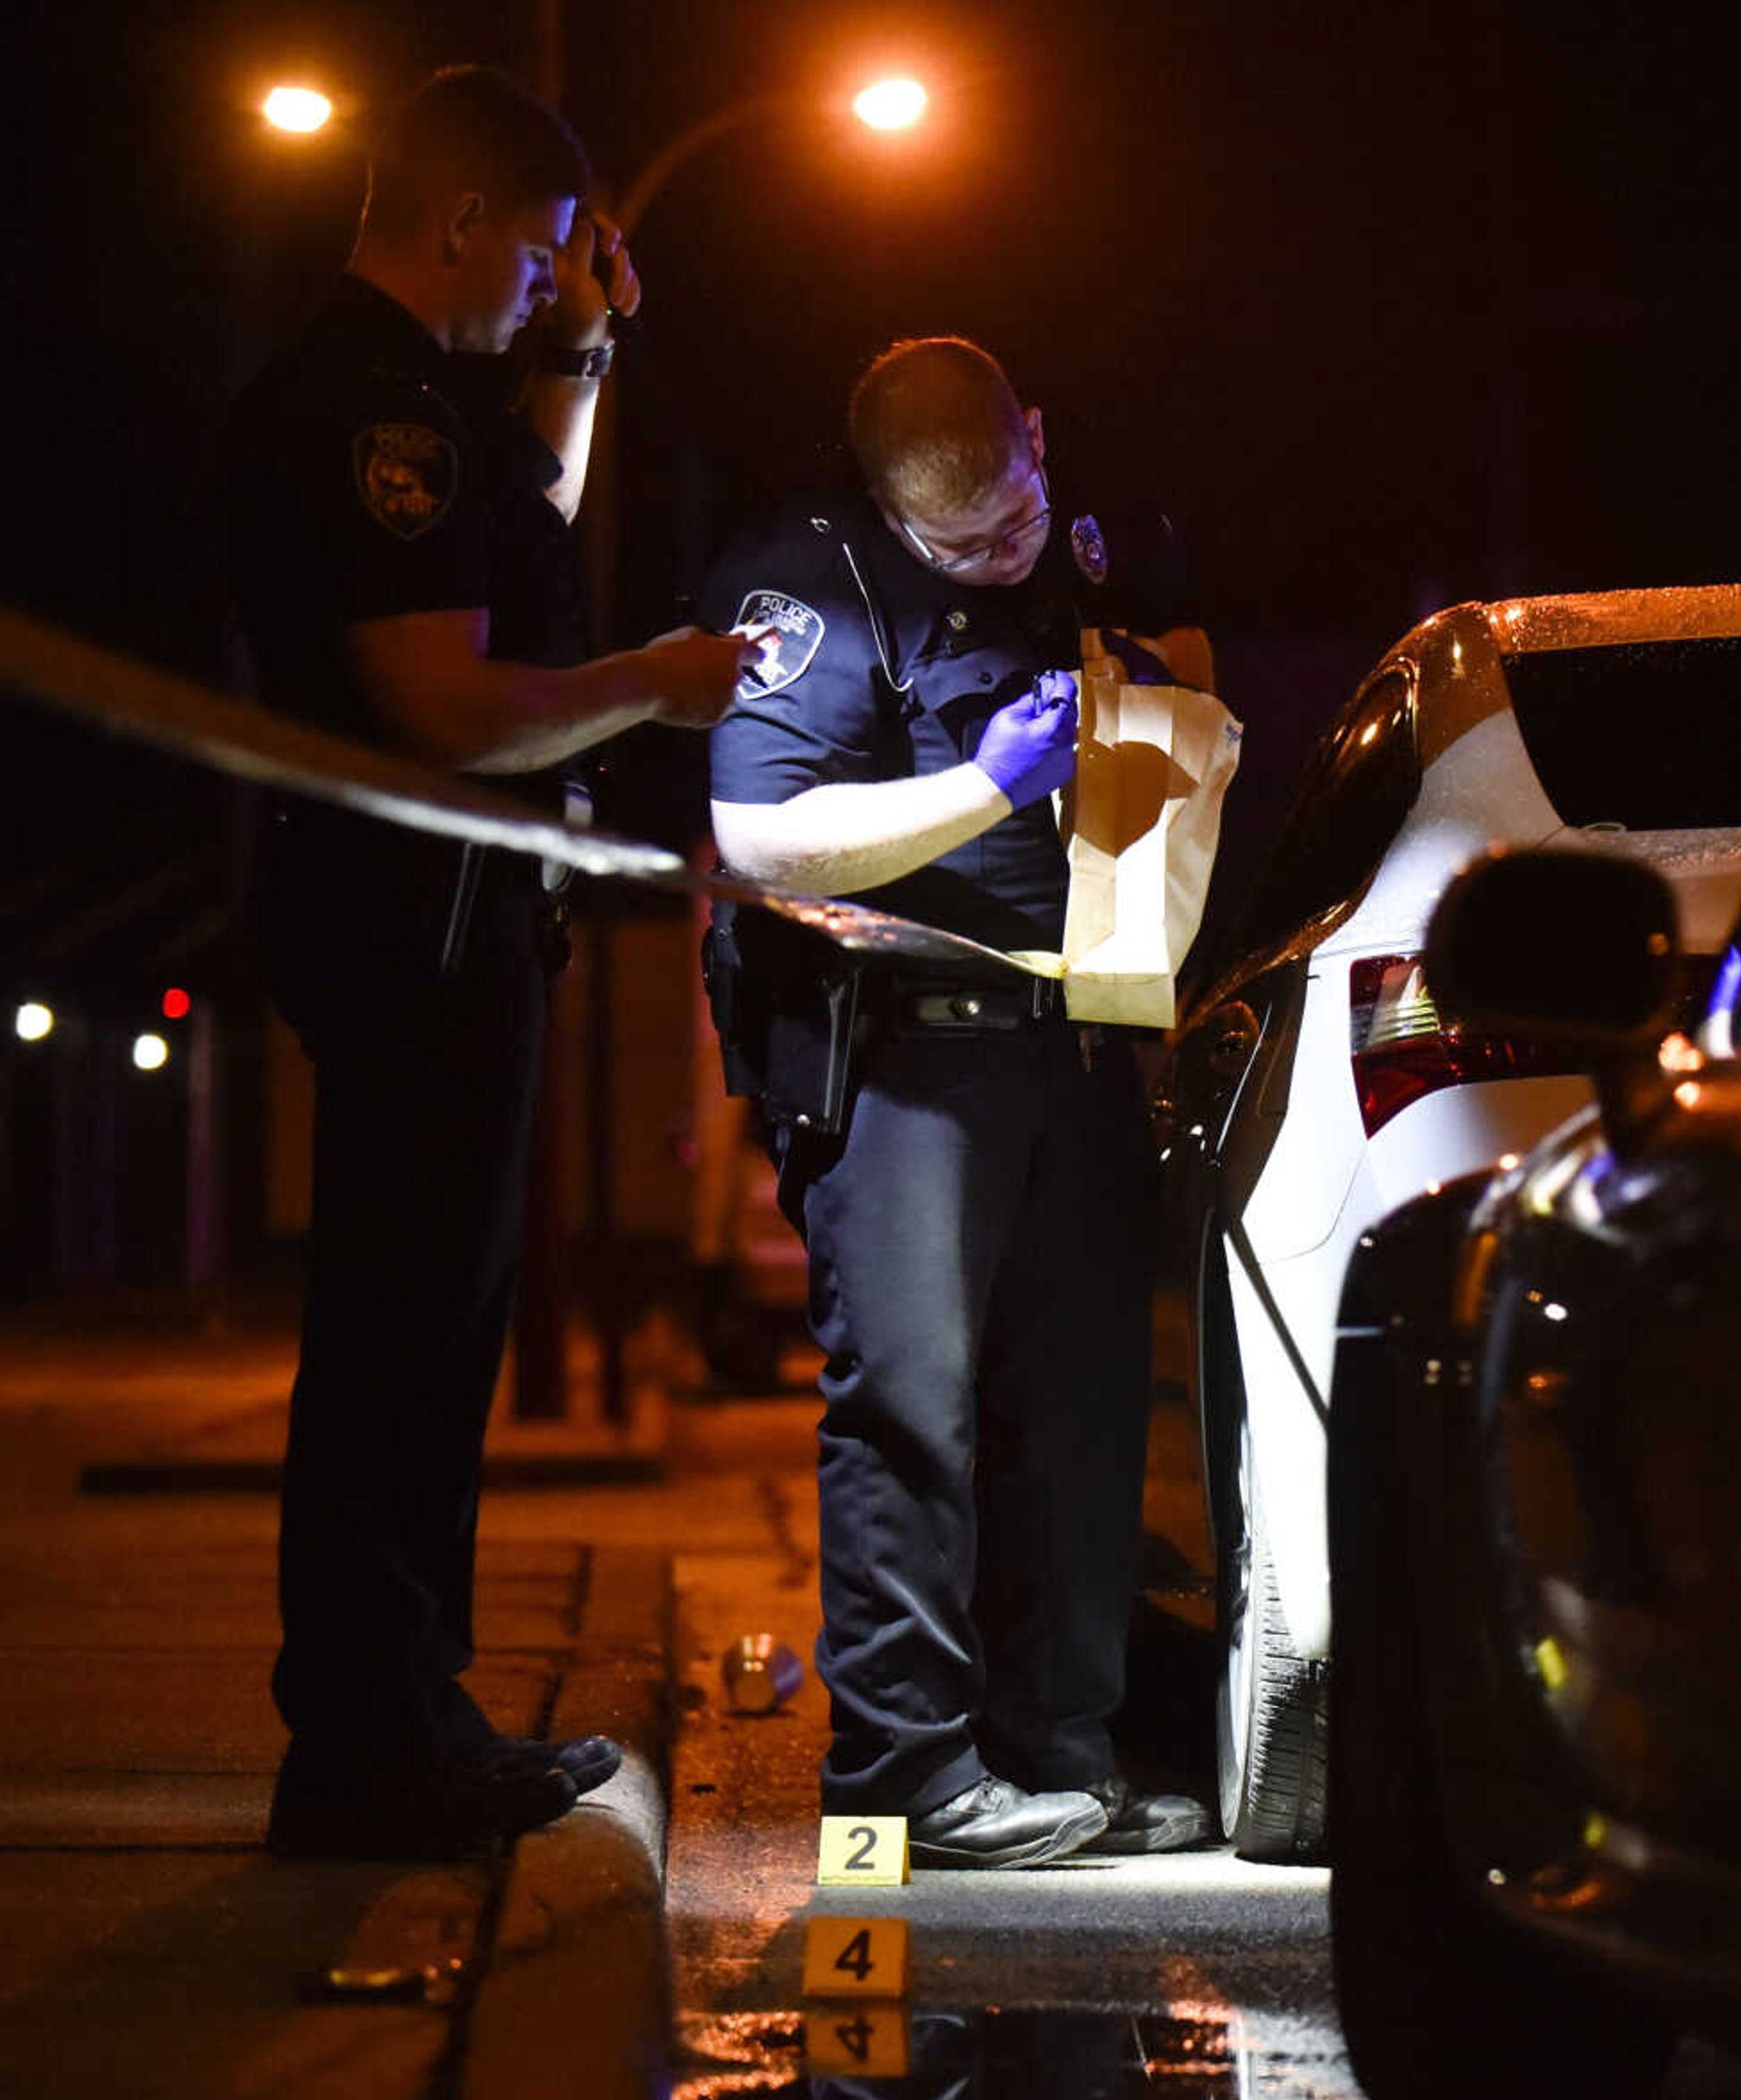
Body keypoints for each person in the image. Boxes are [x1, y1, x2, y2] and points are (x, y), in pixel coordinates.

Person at [220, 64, 757, 1859]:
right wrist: (655, 683)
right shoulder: (373, 409)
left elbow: (524, 502)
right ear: (458, 221)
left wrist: (588, 346)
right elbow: (438, 700)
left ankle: (409, 1715)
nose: (546, 282)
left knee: (436, 1328)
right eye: (535, 254)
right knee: (402, 1334)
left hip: (437, 921)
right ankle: (371, 1741)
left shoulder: (423, 405)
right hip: (412, 922)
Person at [701, 336, 1211, 1866]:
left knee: (1081, 1405)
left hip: (1074, 1024)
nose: (1007, 554)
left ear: (1039, 437)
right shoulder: (806, 582)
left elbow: (1188, 669)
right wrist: (991, 784)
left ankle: (1065, 1747)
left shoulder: (1104, 527)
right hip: (905, 1049)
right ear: (885, 501)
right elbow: (760, 836)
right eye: (966, 543)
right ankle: (904, 1772)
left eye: (1018, 514)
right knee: (912, 1408)